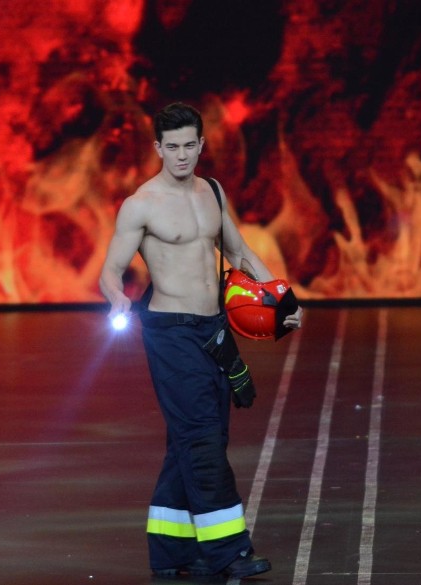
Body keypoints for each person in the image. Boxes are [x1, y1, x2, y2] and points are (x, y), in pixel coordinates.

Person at [99, 102, 303, 579]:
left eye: (190, 145)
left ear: (201, 144)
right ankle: (228, 551)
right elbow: (111, 269)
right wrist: (116, 300)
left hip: (214, 330)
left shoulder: (212, 191)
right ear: (158, 149)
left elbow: (238, 251)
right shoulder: (141, 204)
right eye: (172, 147)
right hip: (170, 335)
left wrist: (283, 301)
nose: (182, 155)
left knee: (193, 439)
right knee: (204, 441)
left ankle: (171, 551)